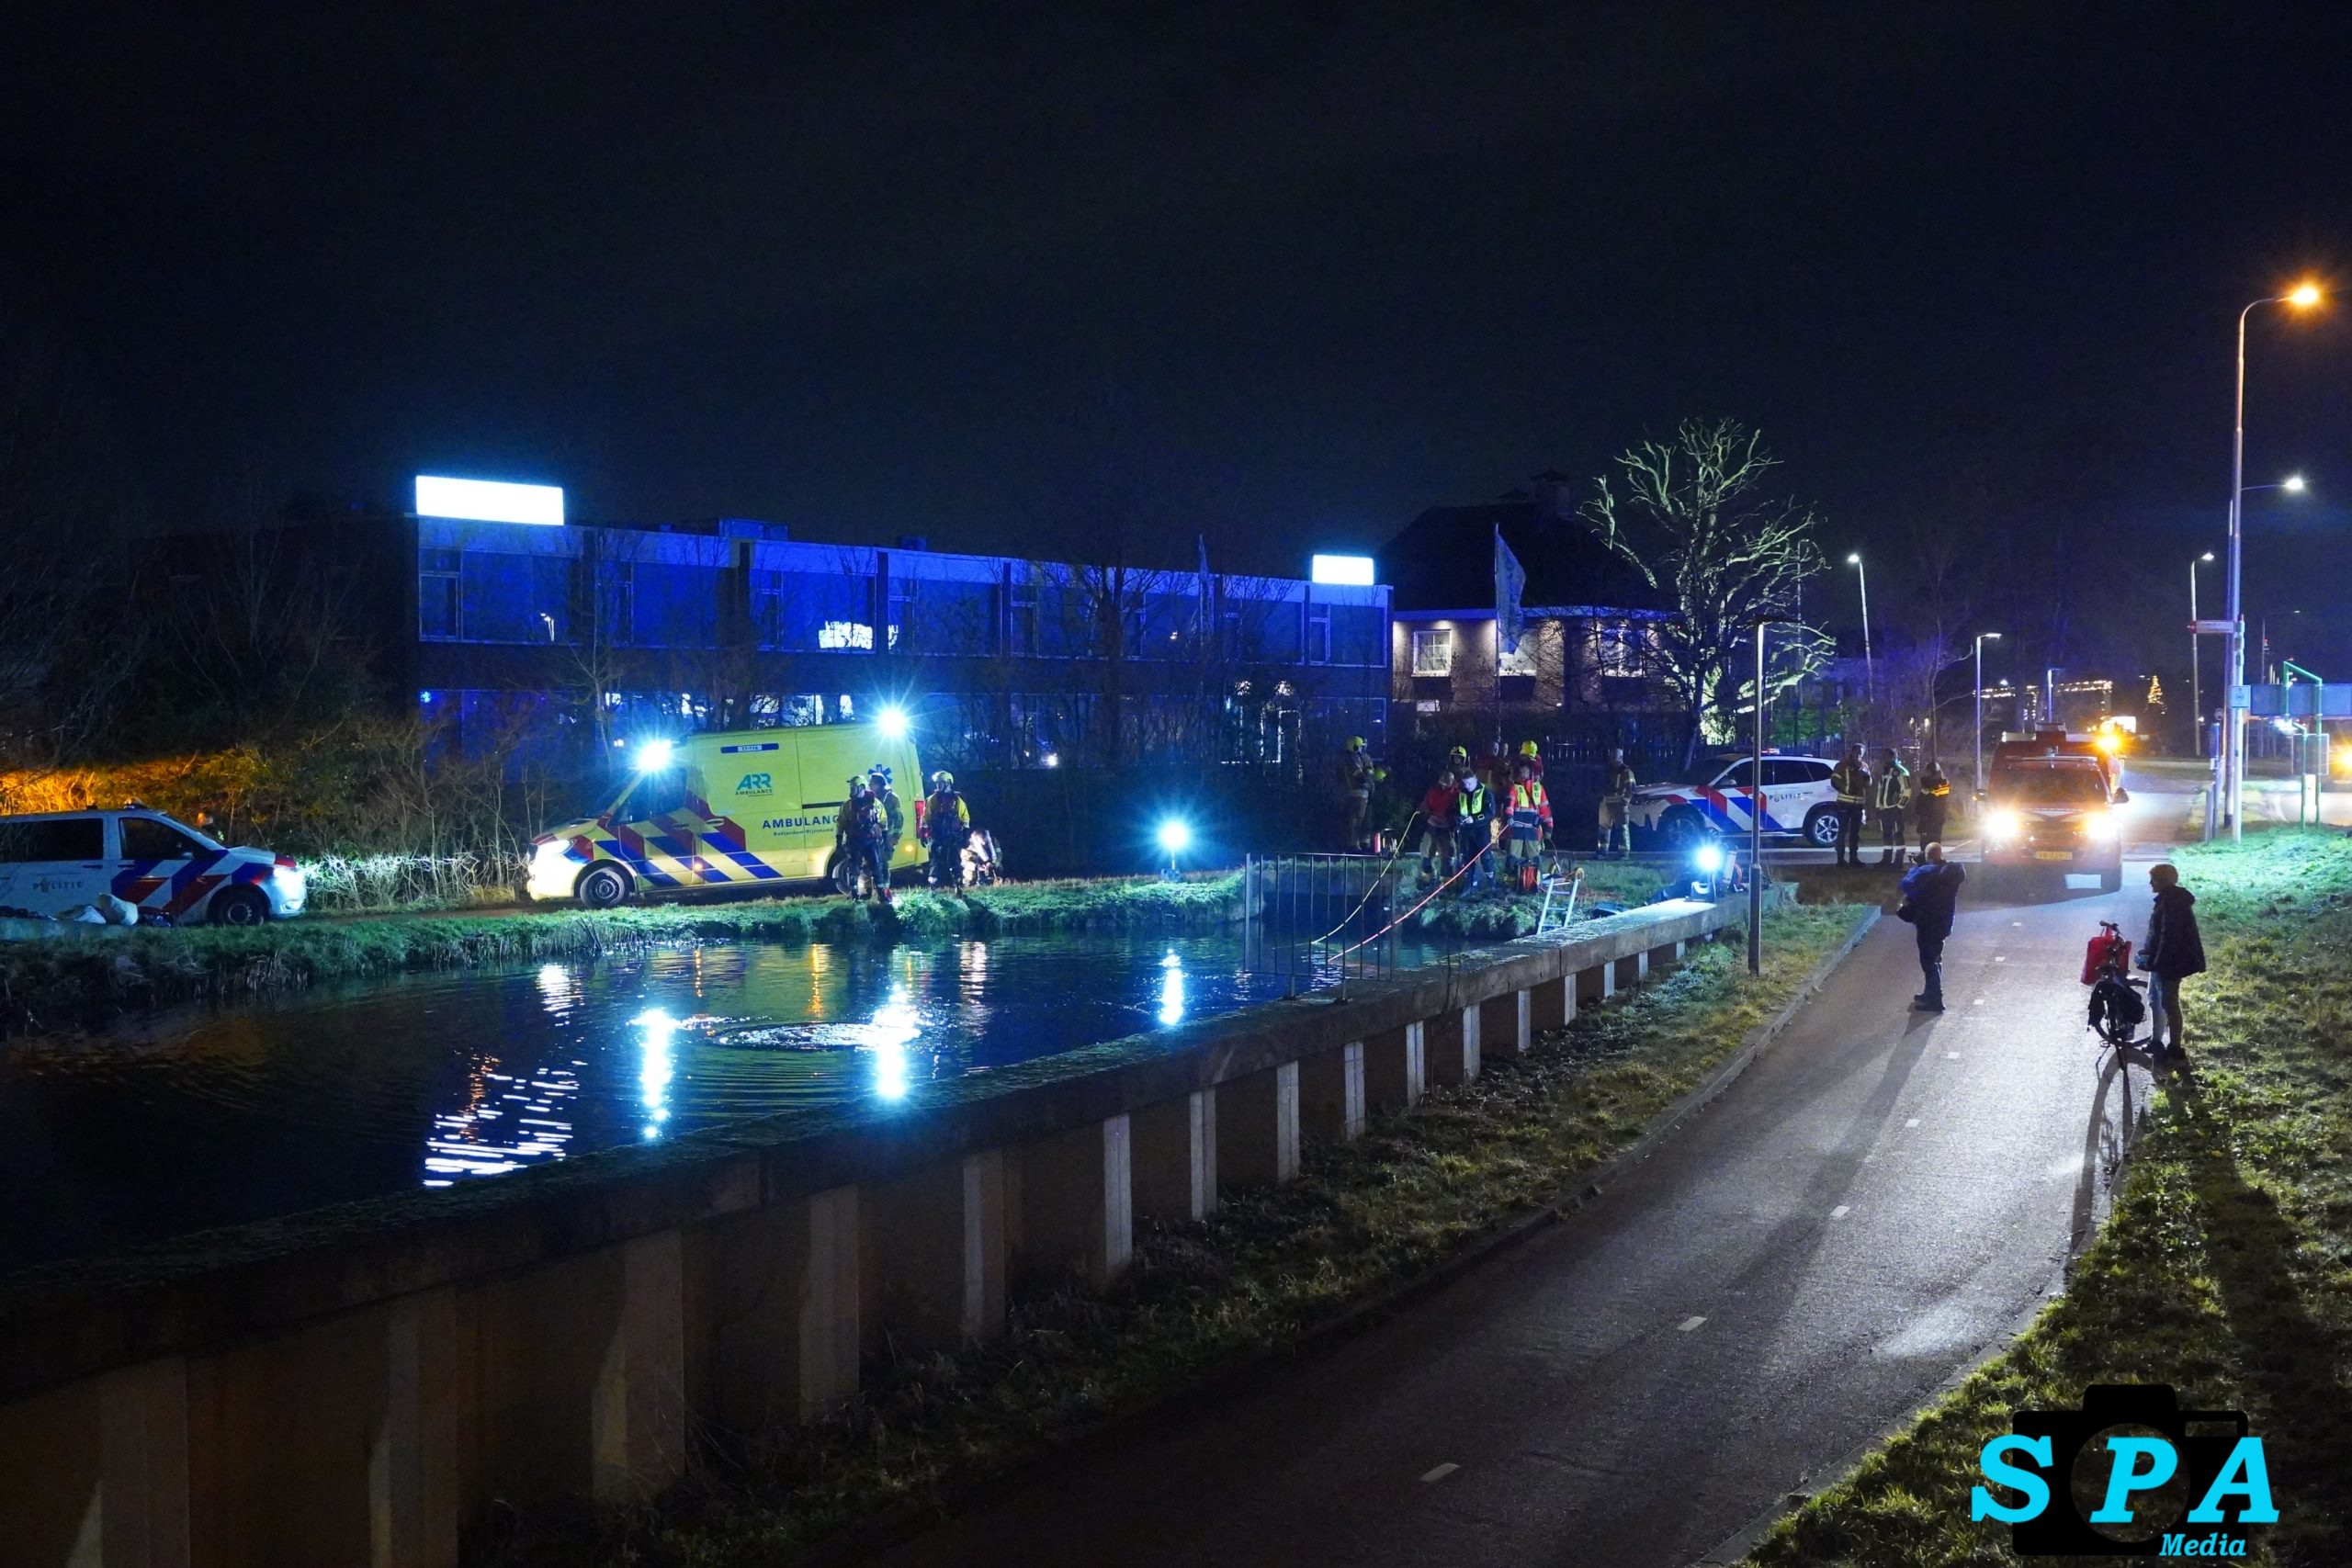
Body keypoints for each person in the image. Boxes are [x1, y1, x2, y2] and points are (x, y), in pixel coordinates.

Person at [2141, 862, 2207, 1062]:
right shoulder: (2168, 899)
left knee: (2169, 1002)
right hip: (2162, 959)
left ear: (2162, 881)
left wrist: (2158, 961)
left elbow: (2168, 936)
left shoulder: (2173, 902)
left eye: (2153, 879)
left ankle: (2175, 1047)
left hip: (2170, 961)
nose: (2150, 883)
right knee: (2155, 999)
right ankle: (2157, 1041)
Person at [1897, 841, 1965, 1011]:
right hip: (1944, 922)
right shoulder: (1951, 873)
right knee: (1936, 958)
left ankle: (1935, 998)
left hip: (1927, 922)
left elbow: (1906, 884)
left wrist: (1916, 867)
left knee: (1928, 961)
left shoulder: (1925, 872)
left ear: (1928, 856)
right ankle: (1930, 993)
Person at [835, 777, 892, 905]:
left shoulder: (875, 803)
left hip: (871, 841)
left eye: (853, 787)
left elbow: (883, 820)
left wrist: (886, 838)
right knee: (853, 868)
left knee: (876, 867)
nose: (851, 790)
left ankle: (882, 894)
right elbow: (840, 824)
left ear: (861, 787)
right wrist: (839, 841)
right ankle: (855, 895)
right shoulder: (848, 806)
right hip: (854, 841)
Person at [920, 770, 971, 888]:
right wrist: (923, 833)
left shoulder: (957, 800)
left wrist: (966, 836)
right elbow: (926, 817)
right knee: (935, 861)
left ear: (947, 782)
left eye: (939, 783)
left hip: (953, 836)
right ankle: (933, 885)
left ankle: (958, 884)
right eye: (937, 783)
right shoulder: (932, 799)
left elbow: (965, 819)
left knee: (955, 860)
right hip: (937, 835)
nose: (937, 785)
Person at [1506, 758, 1552, 887]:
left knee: (1534, 856)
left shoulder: (1539, 789)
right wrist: (1509, 816)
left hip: (1533, 829)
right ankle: (1510, 883)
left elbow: (1545, 809)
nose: (1522, 775)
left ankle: (1535, 882)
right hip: (1517, 829)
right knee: (1513, 856)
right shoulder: (1515, 788)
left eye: (1525, 772)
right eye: (1520, 772)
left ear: (1531, 773)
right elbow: (1510, 804)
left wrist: (1549, 827)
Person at [1416, 768, 1459, 885]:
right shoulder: (1433, 792)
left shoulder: (1457, 794)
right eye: (1442, 781)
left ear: (1452, 782)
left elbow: (1458, 812)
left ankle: (1447, 884)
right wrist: (1426, 812)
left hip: (1446, 829)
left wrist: (1451, 819)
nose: (1444, 784)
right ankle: (1427, 881)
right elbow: (1424, 805)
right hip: (1432, 827)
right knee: (1426, 853)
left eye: (1447, 782)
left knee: (1448, 856)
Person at [1829, 746, 1871, 867]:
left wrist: (1867, 778)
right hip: (1844, 803)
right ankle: (1840, 860)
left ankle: (1854, 859)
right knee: (1842, 831)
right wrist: (1846, 789)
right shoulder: (1842, 765)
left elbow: (1869, 784)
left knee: (1855, 833)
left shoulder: (1864, 766)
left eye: (1861, 753)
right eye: (1857, 752)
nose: (1859, 755)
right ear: (1852, 752)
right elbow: (1834, 781)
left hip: (1858, 804)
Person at [1336, 736, 1377, 852]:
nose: (1361, 749)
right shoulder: (1351, 760)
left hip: (1361, 794)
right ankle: (1353, 845)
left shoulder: (1355, 758)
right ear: (1354, 747)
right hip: (1357, 793)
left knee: (1362, 820)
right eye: (1360, 747)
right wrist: (1368, 778)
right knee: (1356, 819)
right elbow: (1359, 777)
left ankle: (1363, 844)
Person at [1455, 765, 1492, 892]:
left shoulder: (1485, 792)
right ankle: (1469, 886)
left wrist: (1474, 819)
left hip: (1481, 830)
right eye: (1465, 783)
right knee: (1467, 858)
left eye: (1470, 783)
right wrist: (1458, 818)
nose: (1468, 786)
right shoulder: (1462, 793)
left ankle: (1492, 886)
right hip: (1467, 831)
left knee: (1486, 857)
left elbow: (1490, 812)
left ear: (1475, 779)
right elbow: (1456, 809)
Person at [1872, 748, 1910, 867]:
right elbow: (1880, 790)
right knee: (1886, 834)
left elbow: (1907, 791)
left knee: (1897, 833)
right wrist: (1879, 805)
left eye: (1887, 757)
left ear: (1893, 757)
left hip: (1895, 808)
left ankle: (1899, 860)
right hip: (1885, 809)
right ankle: (1886, 859)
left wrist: (1900, 806)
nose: (1884, 759)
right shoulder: (1885, 771)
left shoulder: (1901, 771)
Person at [1597, 747, 1635, 858]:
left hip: (1619, 803)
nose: (1612, 758)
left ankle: (1624, 853)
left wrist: (1625, 801)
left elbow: (1631, 788)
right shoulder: (1607, 770)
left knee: (1622, 828)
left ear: (1621, 757)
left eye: (1615, 756)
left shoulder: (1626, 771)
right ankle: (1602, 850)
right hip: (1605, 802)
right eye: (1611, 756)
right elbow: (1601, 784)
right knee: (1603, 828)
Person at [1911, 760, 1951, 864]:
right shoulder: (1927, 783)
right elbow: (1922, 798)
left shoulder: (1943, 784)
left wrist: (1928, 786)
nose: (1927, 774)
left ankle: (1934, 861)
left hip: (1935, 817)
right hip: (1926, 815)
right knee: (1924, 839)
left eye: (1929, 772)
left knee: (1933, 841)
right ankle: (1924, 858)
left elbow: (1935, 796)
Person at [866, 764, 905, 860]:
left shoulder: (891, 798)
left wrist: (894, 838)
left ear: (880, 784)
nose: (870, 786)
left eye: (872, 784)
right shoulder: (872, 798)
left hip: (887, 836)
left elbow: (898, 818)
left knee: (882, 865)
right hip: (874, 837)